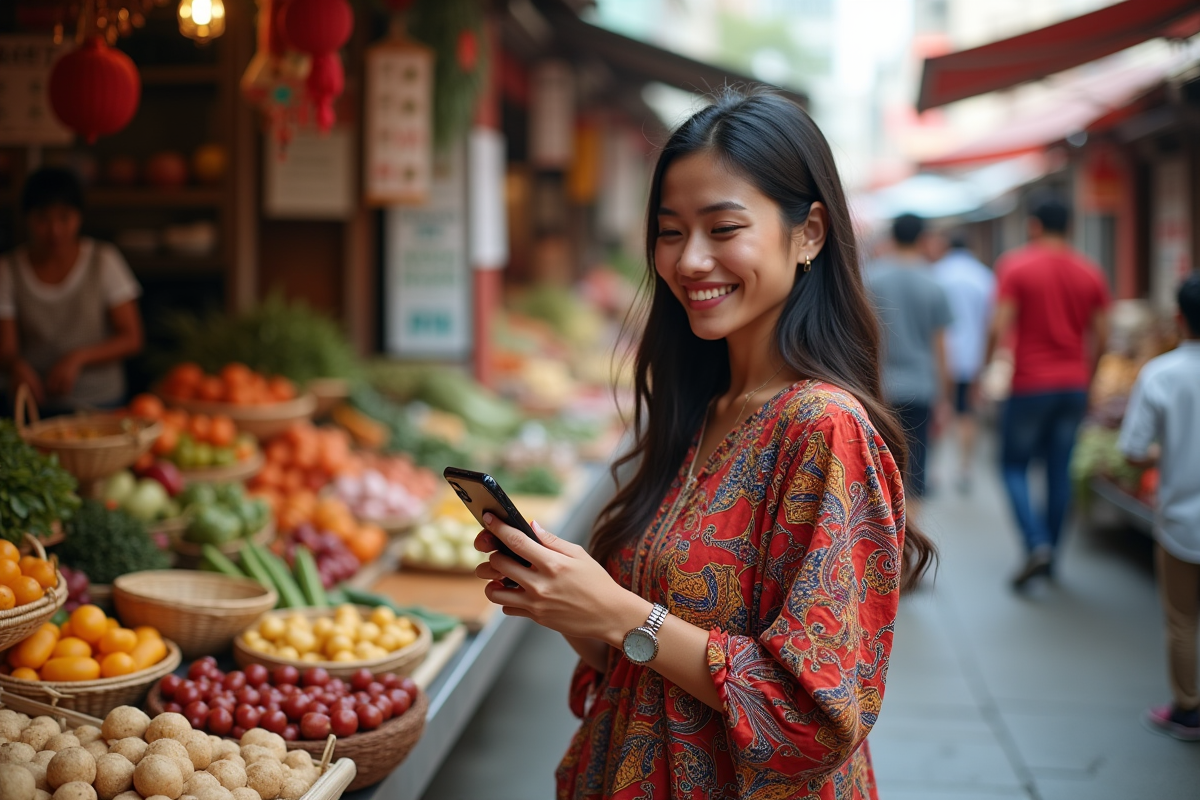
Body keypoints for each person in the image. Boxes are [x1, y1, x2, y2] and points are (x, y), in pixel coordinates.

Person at [471, 89, 935, 800]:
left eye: (723, 229)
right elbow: (645, 657)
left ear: (809, 233)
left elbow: (814, 715)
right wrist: (572, 605)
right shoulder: (700, 410)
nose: (690, 261)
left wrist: (622, 612)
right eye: (669, 231)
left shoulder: (824, 428)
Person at [986, 193, 1110, 589]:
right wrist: (1088, 376)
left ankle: (1036, 543)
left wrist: (989, 363)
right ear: (1070, 226)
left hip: (1030, 385)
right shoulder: (1090, 271)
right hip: (1073, 384)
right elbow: (1102, 334)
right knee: (1060, 470)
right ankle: (1051, 555)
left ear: (1033, 225)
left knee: (1012, 465)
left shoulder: (1016, 266)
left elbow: (998, 325)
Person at [1119, 274, 1200, 742]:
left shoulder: (1162, 373)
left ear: (1179, 318)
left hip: (1181, 521)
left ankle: (1189, 709)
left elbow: (1133, 451)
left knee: (1182, 618)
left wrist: (1164, 453)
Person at [0, 167, 144, 414]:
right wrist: (16, 367)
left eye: (64, 217)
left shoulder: (104, 260)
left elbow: (132, 338)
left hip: (101, 403)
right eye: (43, 219)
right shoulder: (8, 269)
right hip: (34, 406)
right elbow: (7, 349)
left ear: (79, 217)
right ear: (27, 219)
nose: (54, 230)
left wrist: (78, 358)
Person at [864, 213, 952, 508]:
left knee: (879, 473)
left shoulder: (870, 279)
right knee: (914, 476)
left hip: (878, 389)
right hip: (921, 388)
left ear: (892, 236)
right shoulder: (934, 283)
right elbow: (940, 347)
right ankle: (908, 549)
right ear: (922, 239)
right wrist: (945, 397)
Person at [932, 231, 995, 493]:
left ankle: (931, 470)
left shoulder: (937, 273)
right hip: (972, 356)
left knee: (936, 411)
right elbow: (991, 322)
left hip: (939, 356)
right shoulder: (984, 277)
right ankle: (965, 467)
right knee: (966, 412)